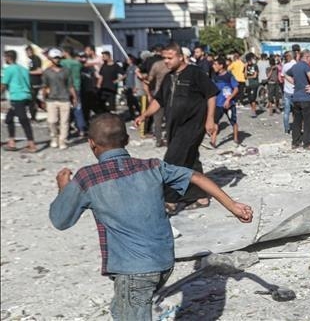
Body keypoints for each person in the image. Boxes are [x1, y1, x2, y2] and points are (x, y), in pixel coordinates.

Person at [49, 113, 253, 320]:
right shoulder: (151, 166)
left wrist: (63, 189)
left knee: (130, 307)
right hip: (163, 262)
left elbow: (60, 220)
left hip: (133, 270)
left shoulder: (88, 177)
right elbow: (196, 176)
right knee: (120, 309)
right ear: (126, 140)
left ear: (91, 143)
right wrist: (233, 205)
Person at [135, 42, 218, 211]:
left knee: (172, 161)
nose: (166, 61)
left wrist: (210, 120)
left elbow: (211, 95)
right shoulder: (168, 77)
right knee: (190, 160)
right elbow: (159, 101)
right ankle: (200, 196)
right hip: (174, 127)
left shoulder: (195, 73)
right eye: (164, 58)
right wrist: (144, 115)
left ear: (181, 57)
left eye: (170, 58)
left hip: (193, 125)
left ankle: (170, 201)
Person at [3, 50, 37, 152]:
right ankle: (11, 142)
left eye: (5, 57)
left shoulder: (9, 69)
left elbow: (3, 84)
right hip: (26, 96)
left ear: (8, 58)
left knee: (23, 120)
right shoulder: (24, 69)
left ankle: (32, 145)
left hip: (17, 97)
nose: (4, 59)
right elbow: (29, 83)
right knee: (9, 119)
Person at [43, 49, 77, 150]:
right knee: (52, 121)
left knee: (64, 122)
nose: (57, 60)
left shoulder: (66, 70)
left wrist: (74, 97)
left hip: (64, 99)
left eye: (58, 58)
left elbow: (70, 85)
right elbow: (45, 86)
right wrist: (43, 99)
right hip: (51, 99)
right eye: (54, 58)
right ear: (50, 58)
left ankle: (62, 140)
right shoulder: (47, 72)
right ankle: (54, 138)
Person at [288, 51, 310, 150]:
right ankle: (307, 143)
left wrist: (295, 83)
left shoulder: (295, 66)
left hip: (296, 97)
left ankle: (295, 142)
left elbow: (286, 75)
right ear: (307, 57)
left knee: (297, 121)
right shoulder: (306, 66)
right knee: (308, 122)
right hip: (306, 97)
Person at [210, 57, 240, 147]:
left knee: (233, 121)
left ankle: (236, 139)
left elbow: (236, 89)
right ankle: (213, 141)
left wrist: (228, 99)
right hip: (218, 104)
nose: (213, 66)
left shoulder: (229, 76)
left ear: (221, 66)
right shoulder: (214, 76)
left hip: (229, 104)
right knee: (215, 122)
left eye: (215, 64)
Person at [60, 47, 86, 136]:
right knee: (78, 107)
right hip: (77, 86)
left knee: (65, 109)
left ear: (66, 52)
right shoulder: (77, 63)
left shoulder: (62, 63)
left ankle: (66, 129)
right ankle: (81, 129)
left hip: (66, 87)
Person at [24, 45, 44, 122]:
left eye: (29, 52)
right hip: (31, 82)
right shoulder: (30, 60)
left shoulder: (36, 59)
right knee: (32, 99)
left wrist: (28, 72)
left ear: (32, 51)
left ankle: (33, 117)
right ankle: (41, 105)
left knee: (32, 100)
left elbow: (39, 71)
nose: (28, 54)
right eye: (27, 52)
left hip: (36, 82)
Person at [282, 49, 298, 133]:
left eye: (286, 56)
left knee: (286, 112)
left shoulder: (285, 66)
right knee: (296, 111)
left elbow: (282, 76)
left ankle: (286, 128)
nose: (286, 58)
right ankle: (296, 126)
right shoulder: (297, 65)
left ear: (290, 56)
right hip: (296, 91)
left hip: (287, 91)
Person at [244, 54, 260, 118]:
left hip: (254, 84)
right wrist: (245, 68)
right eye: (248, 60)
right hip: (248, 84)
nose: (249, 61)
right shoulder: (246, 66)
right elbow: (245, 76)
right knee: (250, 99)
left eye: (250, 60)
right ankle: (252, 109)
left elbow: (255, 76)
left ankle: (254, 111)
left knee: (253, 98)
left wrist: (248, 77)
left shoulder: (255, 66)